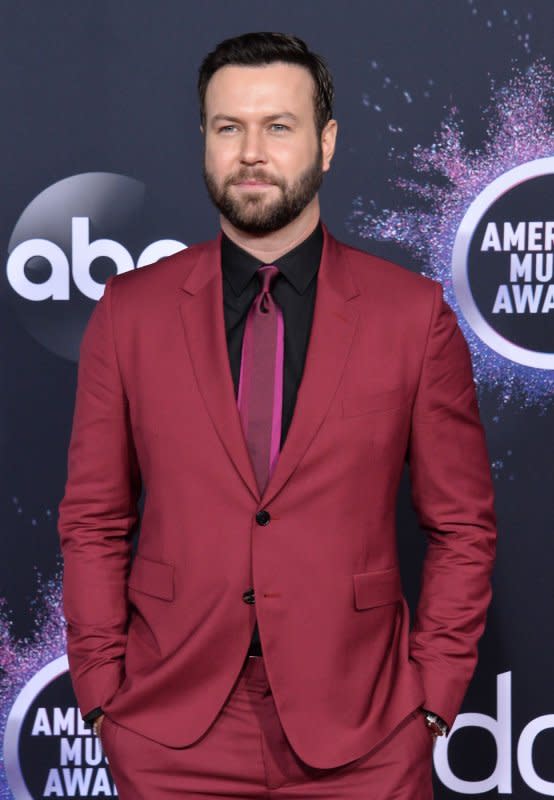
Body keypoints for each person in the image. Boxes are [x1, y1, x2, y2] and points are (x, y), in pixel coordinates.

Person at [58, 31, 497, 799]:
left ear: (326, 144)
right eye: (230, 127)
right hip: (169, 731)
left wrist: (431, 704)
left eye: (279, 126)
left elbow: (462, 526)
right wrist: (101, 697)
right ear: (205, 140)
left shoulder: (412, 316)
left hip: (364, 729)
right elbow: (94, 519)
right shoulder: (130, 313)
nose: (252, 152)